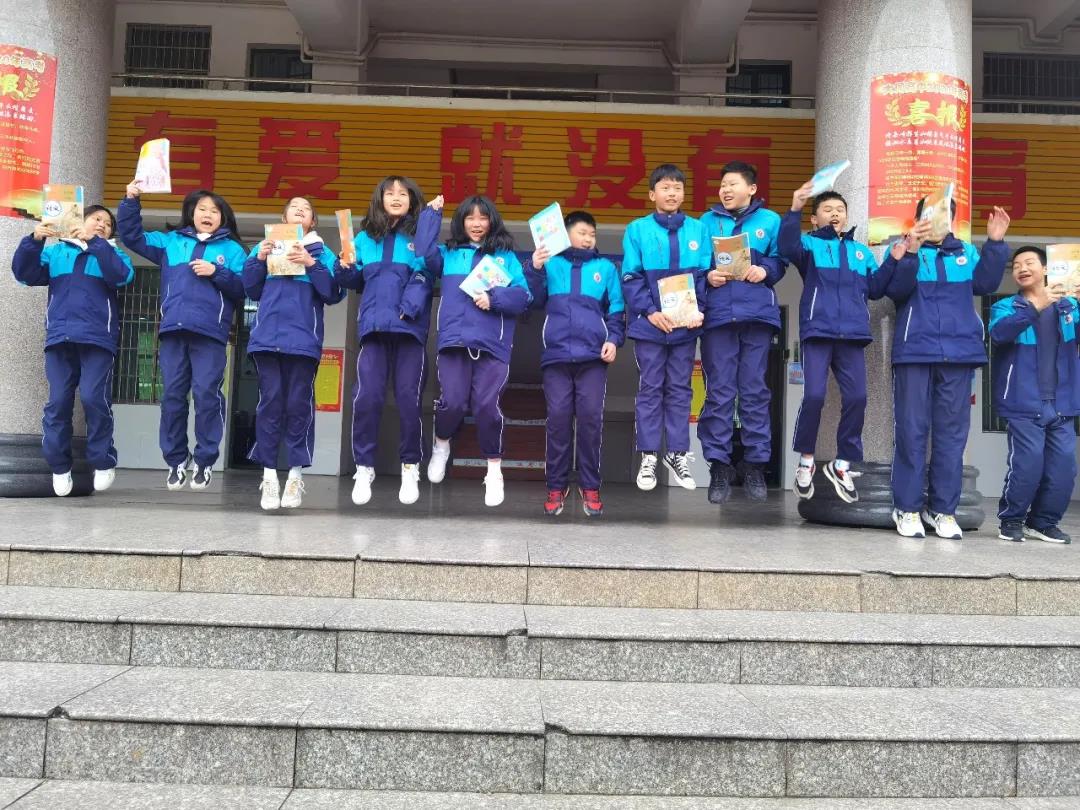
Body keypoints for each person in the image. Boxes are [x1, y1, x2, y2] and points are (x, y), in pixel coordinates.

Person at [887, 199, 1011, 539]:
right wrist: (910, 253)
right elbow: (894, 291)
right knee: (911, 431)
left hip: (959, 354)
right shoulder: (904, 247)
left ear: (953, 220)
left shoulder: (966, 253)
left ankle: (942, 510)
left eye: (945, 214)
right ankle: (907, 508)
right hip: (914, 351)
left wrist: (995, 243)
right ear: (918, 218)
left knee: (952, 437)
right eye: (929, 214)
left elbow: (985, 284)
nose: (937, 220)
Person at [779, 182, 907, 503]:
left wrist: (892, 259)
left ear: (847, 216)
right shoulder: (809, 245)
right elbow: (786, 245)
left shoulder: (860, 252)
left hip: (852, 335)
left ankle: (842, 464)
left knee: (858, 398)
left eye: (840, 210)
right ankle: (806, 461)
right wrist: (795, 208)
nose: (835, 214)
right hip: (818, 332)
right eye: (827, 209)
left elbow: (875, 288)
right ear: (815, 219)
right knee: (814, 396)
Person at [118, 185, 247, 491]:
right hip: (173, 331)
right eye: (202, 209)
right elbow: (132, 236)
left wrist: (217, 272)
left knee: (206, 396)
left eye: (214, 211)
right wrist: (131, 200)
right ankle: (176, 459)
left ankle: (204, 460)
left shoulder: (233, 250)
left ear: (223, 218)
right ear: (191, 212)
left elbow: (245, 289)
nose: (207, 214)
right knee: (172, 397)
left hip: (210, 334)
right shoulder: (171, 241)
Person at [12, 205, 134, 496]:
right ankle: (59, 466)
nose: (102, 224)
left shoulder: (113, 254)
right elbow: (24, 274)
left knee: (94, 398)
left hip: (98, 340)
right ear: (81, 220)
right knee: (58, 404)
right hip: (60, 338)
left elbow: (121, 277)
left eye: (108, 223)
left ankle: (103, 460)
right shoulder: (56, 252)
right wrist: (34, 240)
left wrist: (96, 244)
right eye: (96, 219)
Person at [337, 177, 442, 507]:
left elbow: (428, 273)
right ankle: (363, 467)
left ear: (413, 200)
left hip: (409, 330)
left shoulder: (418, 237)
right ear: (379, 199)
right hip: (373, 330)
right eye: (390, 193)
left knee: (409, 400)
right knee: (366, 398)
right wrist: (343, 267)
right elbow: (353, 279)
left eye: (403, 193)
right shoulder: (363, 238)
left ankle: (410, 466)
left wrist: (409, 306)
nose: (396, 197)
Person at [424, 195, 531, 507]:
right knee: (453, 403)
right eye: (470, 217)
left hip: (493, 345)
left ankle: (494, 469)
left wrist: (494, 298)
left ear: (491, 222)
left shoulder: (505, 257)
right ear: (461, 222)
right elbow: (425, 252)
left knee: (486, 407)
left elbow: (524, 297)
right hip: (454, 341)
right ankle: (442, 443)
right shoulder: (448, 254)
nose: (476, 223)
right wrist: (431, 215)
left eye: (483, 217)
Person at [243, 196, 343, 511]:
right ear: (284, 215)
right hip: (266, 339)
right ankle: (269, 475)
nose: (300, 209)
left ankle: (296, 475)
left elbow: (334, 293)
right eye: (294, 206)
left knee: (299, 406)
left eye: (307, 208)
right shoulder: (265, 245)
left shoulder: (322, 252)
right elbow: (250, 289)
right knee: (270, 404)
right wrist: (259, 258)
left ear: (312, 221)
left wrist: (311, 264)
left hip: (303, 341)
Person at [526, 210, 625, 517]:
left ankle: (590, 485)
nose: (588, 238)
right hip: (556, 357)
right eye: (582, 232)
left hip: (593, 359)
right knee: (557, 421)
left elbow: (617, 309)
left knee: (590, 421)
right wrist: (534, 267)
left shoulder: (605, 268)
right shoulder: (550, 263)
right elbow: (531, 299)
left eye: (592, 234)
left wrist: (614, 340)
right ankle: (556, 486)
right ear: (564, 233)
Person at [697, 161, 784, 504]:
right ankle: (719, 465)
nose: (726, 190)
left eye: (732, 184)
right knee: (719, 391)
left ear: (752, 189)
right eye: (722, 185)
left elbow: (781, 259)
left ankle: (755, 464)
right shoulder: (706, 222)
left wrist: (766, 270)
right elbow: (696, 264)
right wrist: (708, 276)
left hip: (757, 315)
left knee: (754, 390)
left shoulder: (771, 220)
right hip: (718, 316)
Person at [620, 164, 709, 492]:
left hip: (686, 325)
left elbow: (703, 275)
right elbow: (631, 276)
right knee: (651, 388)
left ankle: (677, 453)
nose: (672, 193)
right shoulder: (637, 229)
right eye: (665, 188)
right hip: (650, 327)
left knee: (681, 390)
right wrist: (650, 312)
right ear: (652, 194)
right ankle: (648, 455)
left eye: (677, 188)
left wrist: (700, 310)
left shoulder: (698, 229)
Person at [989, 246, 1079, 544]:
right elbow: (999, 334)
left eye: (1029, 263)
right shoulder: (1007, 306)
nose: (1022, 268)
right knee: (1027, 466)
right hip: (1023, 402)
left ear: (1046, 269)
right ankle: (1011, 520)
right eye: (1016, 265)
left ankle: (1042, 523)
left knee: (1063, 470)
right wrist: (1035, 306)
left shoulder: (1068, 308)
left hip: (1062, 404)